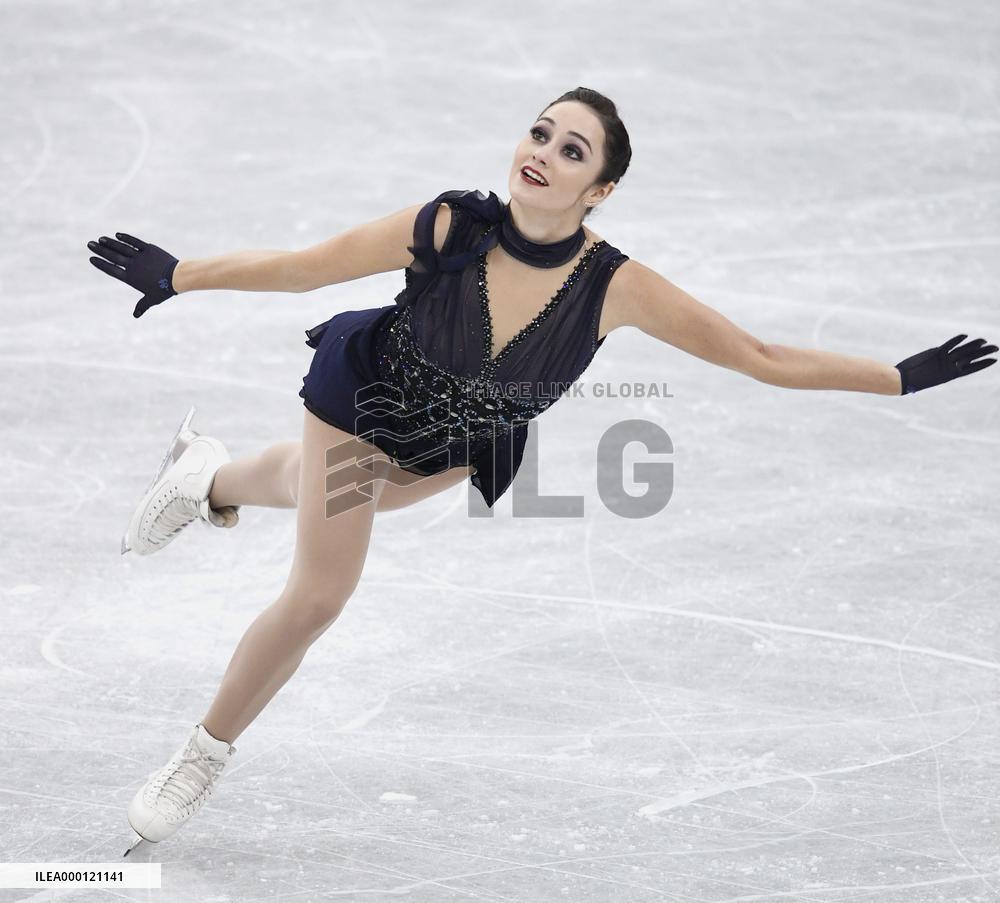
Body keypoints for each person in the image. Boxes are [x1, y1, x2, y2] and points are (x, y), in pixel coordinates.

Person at [86, 87, 997, 855]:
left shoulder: (620, 288)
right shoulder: (448, 227)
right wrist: (182, 274)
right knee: (323, 588)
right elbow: (304, 266)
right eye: (539, 132)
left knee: (337, 496)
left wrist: (898, 379)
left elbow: (758, 354)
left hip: (463, 441)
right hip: (366, 398)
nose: (543, 154)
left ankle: (205, 479)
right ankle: (204, 751)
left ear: (598, 190)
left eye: (571, 150)